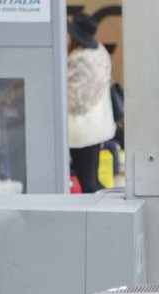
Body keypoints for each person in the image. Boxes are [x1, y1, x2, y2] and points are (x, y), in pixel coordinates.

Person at [67, 14, 116, 193]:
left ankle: (97, 217)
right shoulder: (100, 52)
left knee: (87, 182)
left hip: (81, 129)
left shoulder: (80, 59)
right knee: (92, 178)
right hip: (97, 125)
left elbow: (74, 98)